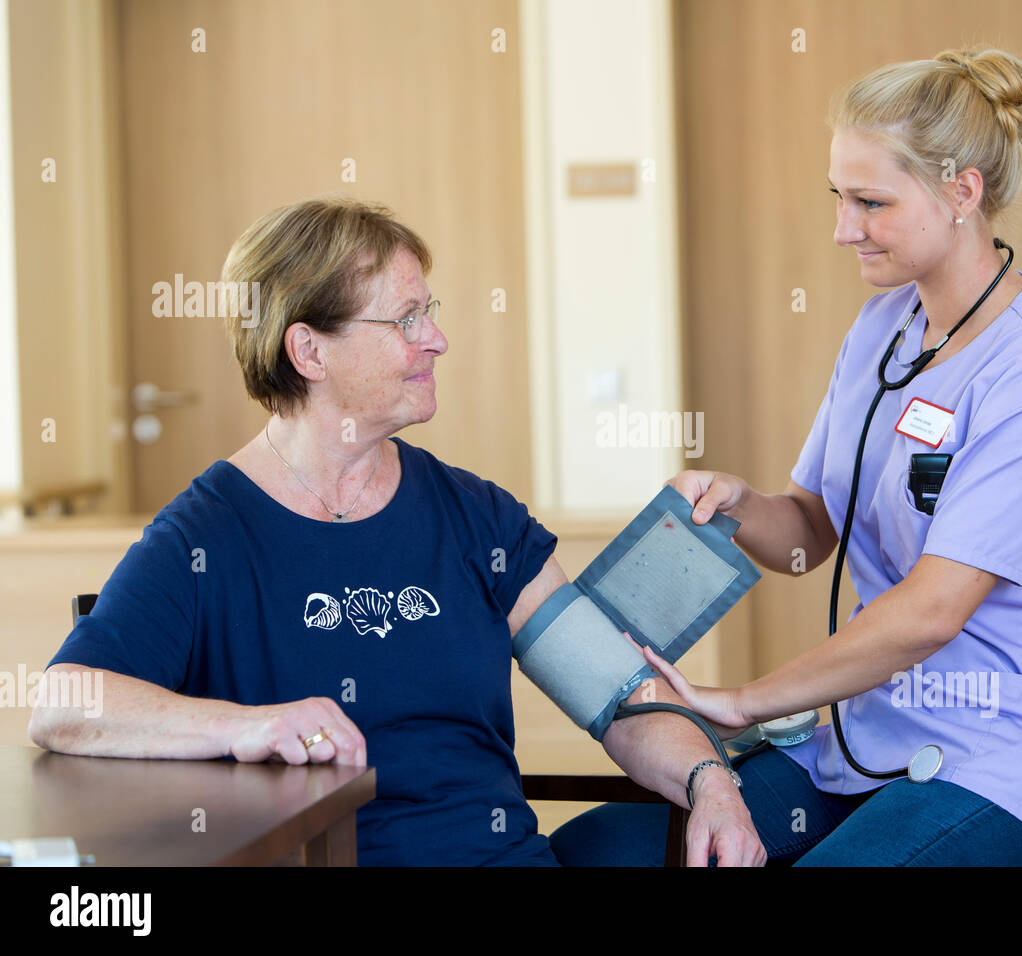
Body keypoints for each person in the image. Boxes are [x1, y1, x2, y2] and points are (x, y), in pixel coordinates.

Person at [29, 196, 765, 867]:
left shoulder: (475, 517)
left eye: (430, 311)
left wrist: (711, 783)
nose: (437, 339)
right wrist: (240, 726)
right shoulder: (202, 538)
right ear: (309, 352)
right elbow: (64, 704)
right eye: (406, 320)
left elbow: (616, 694)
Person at [550, 47, 1022, 866]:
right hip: (863, 736)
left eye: (870, 202)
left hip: (994, 753)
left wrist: (742, 700)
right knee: (606, 850)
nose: (844, 229)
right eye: (839, 198)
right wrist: (741, 508)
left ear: (963, 191)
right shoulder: (881, 331)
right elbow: (811, 534)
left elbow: (930, 611)